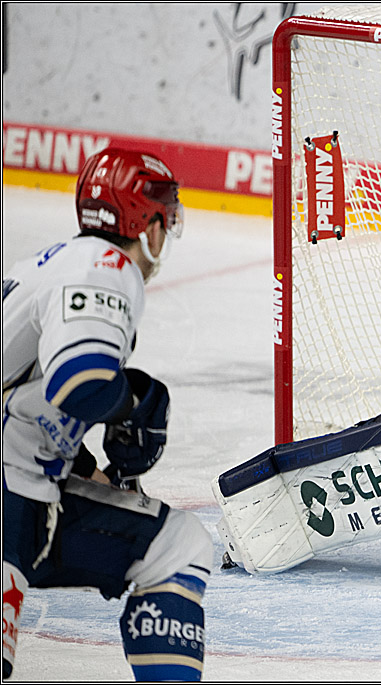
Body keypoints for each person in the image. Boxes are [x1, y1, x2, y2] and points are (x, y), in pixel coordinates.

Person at [2, 148, 213, 681]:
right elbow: (81, 381)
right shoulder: (106, 268)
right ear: (146, 223)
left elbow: (27, 403)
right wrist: (134, 406)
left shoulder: (51, 265)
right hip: (9, 492)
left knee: (175, 542)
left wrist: (86, 465)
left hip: (26, 492)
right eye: (164, 216)